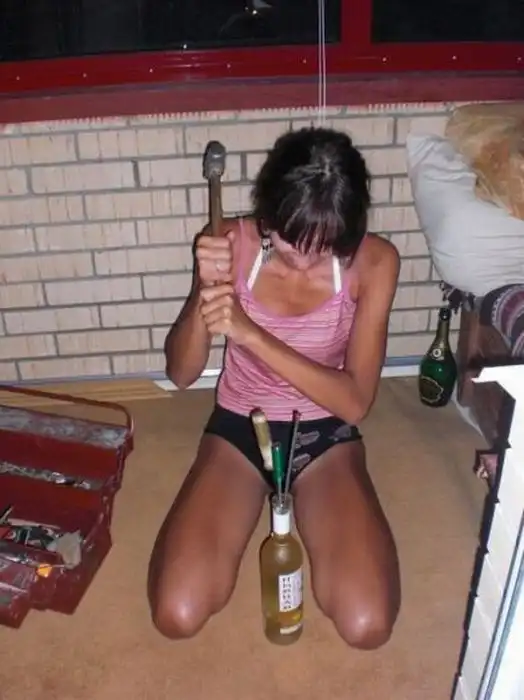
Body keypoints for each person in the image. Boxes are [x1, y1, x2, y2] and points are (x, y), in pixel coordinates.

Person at [148, 126, 401, 649]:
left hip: (325, 432)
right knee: (177, 613)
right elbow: (180, 373)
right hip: (241, 425)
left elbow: (355, 402)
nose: (304, 261)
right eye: (289, 242)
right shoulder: (231, 243)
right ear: (267, 214)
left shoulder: (374, 262)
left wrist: (251, 334)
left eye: (324, 247)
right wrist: (205, 289)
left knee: (367, 625)